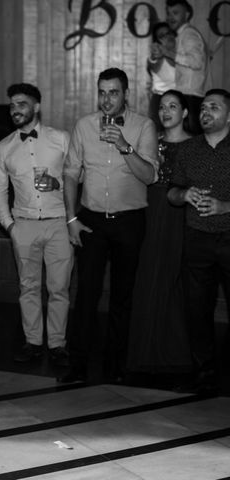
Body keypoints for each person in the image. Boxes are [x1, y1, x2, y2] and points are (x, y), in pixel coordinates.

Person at [61, 68, 158, 384]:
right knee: (85, 294)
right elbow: (71, 174)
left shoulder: (143, 126)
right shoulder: (84, 126)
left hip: (129, 222)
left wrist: (124, 146)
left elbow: (150, 176)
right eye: (102, 92)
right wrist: (71, 219)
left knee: (122, 296)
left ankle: (114, 366)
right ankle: (77, 366)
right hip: (90, 221)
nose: (106, 99)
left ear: (126, 94)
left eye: (113, 92)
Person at [0, 83, 72, 367]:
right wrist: (9, 226)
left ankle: (59, 343)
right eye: (12, 105)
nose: (16, 110)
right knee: (28, 288)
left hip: (59, 222)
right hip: (23, 225)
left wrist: (58, 183)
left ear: (36, 107)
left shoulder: (61, 139)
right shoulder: (4, 147)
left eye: (22, 104)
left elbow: (79, 177)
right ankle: (33, 342)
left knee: (59, 288)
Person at [167, 88, 230, 393]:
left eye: (214, 107)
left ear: (229, 115)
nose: (206, 112)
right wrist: (184, 194)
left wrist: (225, 206)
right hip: (197, 239)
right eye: (203, 107)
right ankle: (203, 370)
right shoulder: (189, 149)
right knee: (197, 309)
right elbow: (172, 192)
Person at [128, 89, 192, 375]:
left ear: (185, 113)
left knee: (174, 278)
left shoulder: (197, 145)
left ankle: (175, 354)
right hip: (150, 210)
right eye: (163, 107)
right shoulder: (151, 143)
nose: (166, 112)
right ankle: (145, 351)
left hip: (180, 217)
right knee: (147, 276)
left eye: (173, 106)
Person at [163, 0, 209, 133]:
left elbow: (196, 62)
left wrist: (168, 52)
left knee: (190, 143)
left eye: (175, 13)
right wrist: (166, 51)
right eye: (168, 13)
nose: (170, 17)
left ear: (187, 14)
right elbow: (181, 65)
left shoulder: (189, 34)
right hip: (188, 96)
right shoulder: (183, 34)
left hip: (191, 98)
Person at [147, 22, 177, 129]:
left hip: (180, 100)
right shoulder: (157, 56)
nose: (166, 37)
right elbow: (152, 62)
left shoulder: (182, 55)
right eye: (162, 36)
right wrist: (157, 54)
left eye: (168, 33)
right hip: (160, 100)